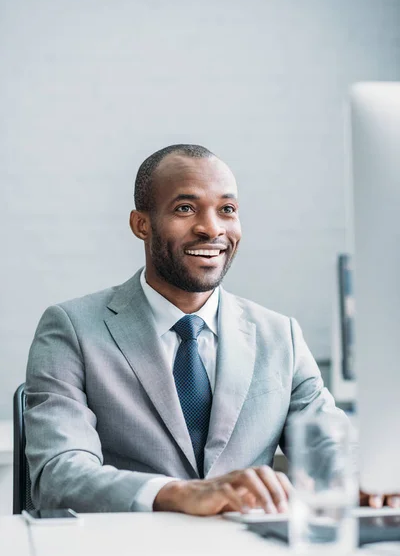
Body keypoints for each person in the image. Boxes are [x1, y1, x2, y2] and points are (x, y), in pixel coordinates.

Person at [25, 144, 398, 514]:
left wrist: (369, 480)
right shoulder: (72, 328)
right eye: (185, 208)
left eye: (227, 210)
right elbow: (59, 474)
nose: (211, 228)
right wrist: (178, 494)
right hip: (129, 555)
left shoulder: (279, 335)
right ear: (141, 224)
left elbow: (328, 447)